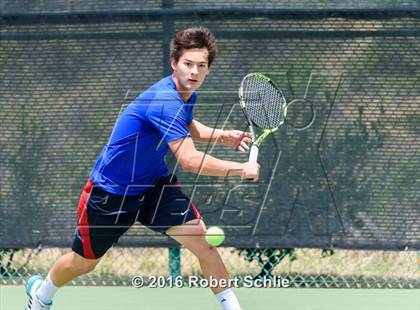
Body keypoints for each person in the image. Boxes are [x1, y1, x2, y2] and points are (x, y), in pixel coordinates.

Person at [25, 26, 259, 310]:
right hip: (111, 192)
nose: (194, 72)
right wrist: (240, 169)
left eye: (201, 66)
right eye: (188, 64)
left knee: (204, 245)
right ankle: (42, 294)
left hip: (154, 185)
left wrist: (220, 135)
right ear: (174, 63)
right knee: (83, 263)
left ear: (208, 69)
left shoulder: (185, 94)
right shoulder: (163, 100)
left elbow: (184, 125)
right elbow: (189, 160)